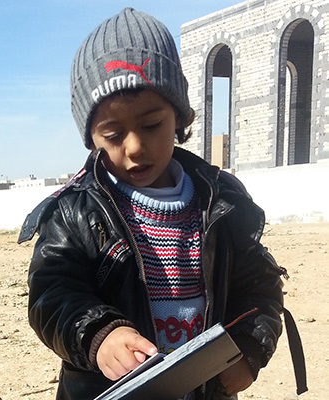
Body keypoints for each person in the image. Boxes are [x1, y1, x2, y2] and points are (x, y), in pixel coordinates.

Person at [17, 8, 285, 400]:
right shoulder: (75, 211)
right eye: (112, 133)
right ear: (90, 137)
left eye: (151, 125)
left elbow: (259, 286)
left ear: (178, 116)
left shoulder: (221, 200)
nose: (135, 147)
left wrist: (249, 346)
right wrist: (100, 334)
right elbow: (52, 295)